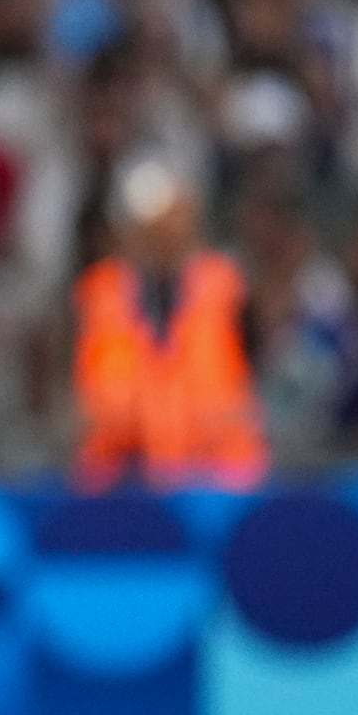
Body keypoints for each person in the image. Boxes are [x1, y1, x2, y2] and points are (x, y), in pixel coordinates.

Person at [72, 162, 271, 491]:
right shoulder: (99, 294)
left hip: (219, 481)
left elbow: (258, 366)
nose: (167, 232)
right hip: (121, 481)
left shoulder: (229, 287)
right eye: (153, 224)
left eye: (174, 218)